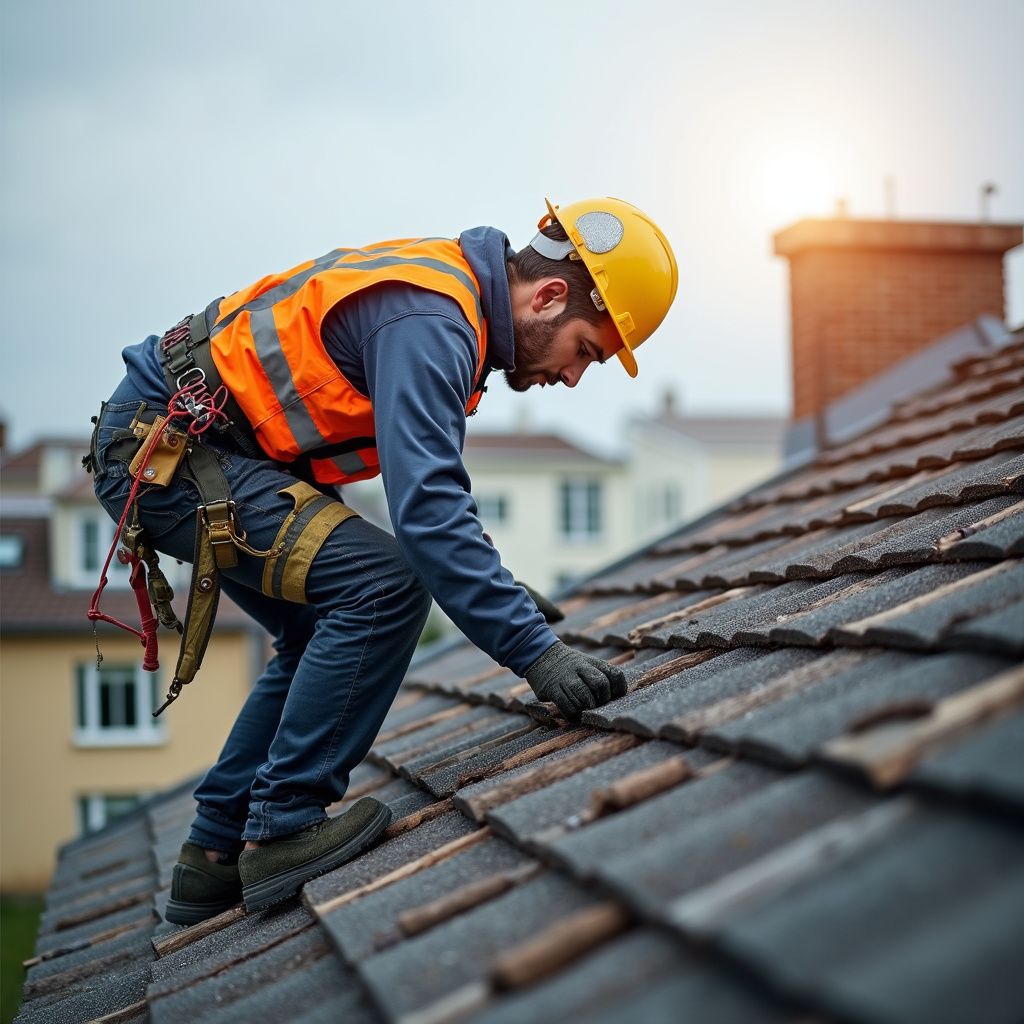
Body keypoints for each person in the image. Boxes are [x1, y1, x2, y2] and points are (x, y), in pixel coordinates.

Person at [87, 197, 678, 923]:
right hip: (172, 454)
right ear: (549, 296)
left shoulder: (442, 298)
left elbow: (413, 509)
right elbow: (428, 515)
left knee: (325, 620)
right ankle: (283, 827)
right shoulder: (433, 321)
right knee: (384, 587)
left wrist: (492, 588)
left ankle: (212, 854)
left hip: (183, 448)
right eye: (585, 350)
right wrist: (535, 650)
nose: (574, 376)